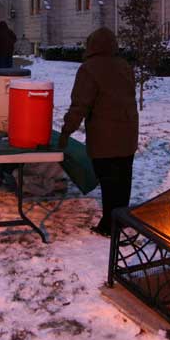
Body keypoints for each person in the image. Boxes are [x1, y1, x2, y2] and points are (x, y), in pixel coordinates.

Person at [59, 27, 139, 236]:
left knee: (109, 181)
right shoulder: (124, 66)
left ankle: (109, 225)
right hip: (128, 133)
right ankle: (120, 220)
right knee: (123, 179)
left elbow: (80, 105)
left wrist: (66, 131)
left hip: (105, 137)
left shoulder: (89, 68)